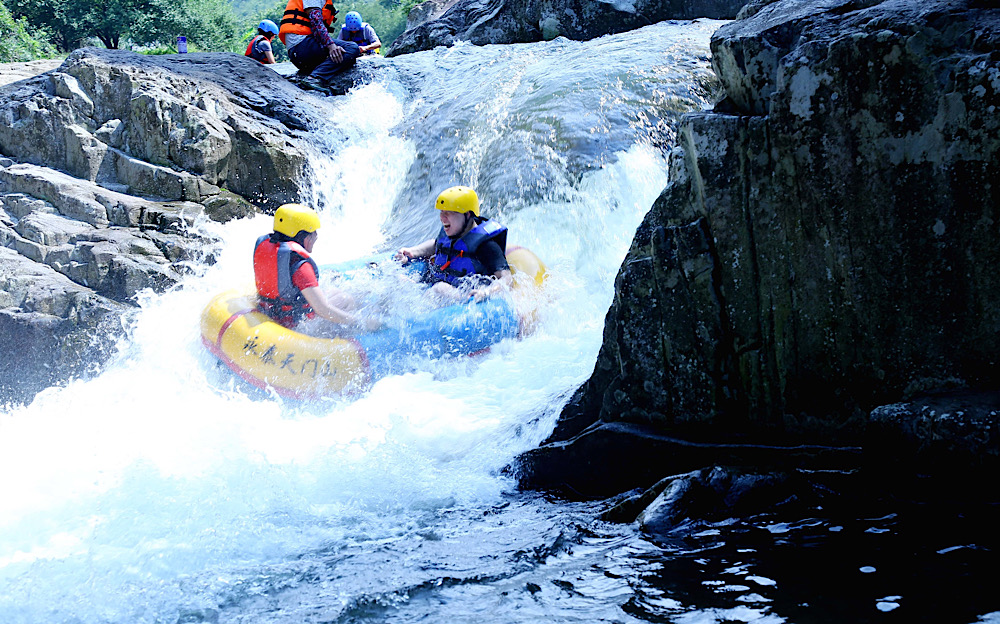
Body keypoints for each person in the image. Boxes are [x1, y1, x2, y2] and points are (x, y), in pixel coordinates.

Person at [254, 203, 370, 328]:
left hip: (270, 312)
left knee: (334, 292)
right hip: (295, 323)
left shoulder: (268, 247)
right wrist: (359, 323)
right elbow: (323, 310)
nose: (316, 236)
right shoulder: (300, 265)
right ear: (303, 236)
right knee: (346, 300)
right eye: (313, 232)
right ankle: (346, 336)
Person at [395, 186, 512, 303]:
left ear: (467, 215)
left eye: (449, 213)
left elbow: (506, 278)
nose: (442, 218)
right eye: (441, 212)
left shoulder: (486, 246)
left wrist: (486, 292)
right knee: (399, 280)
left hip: (464, 296)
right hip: (437, 289)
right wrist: (412, 252)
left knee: (440, 289)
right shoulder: (451, 232)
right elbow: (436, 245)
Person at [278, 0, 360, 91]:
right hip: (301, 47)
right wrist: (331, 45)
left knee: (343, 53)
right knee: (351, 48)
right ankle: (316, 78)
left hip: (300, 53)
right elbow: (315, 20)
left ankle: (315, 74)